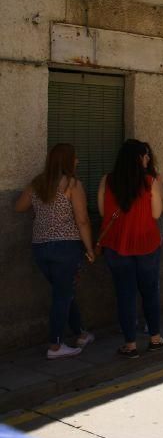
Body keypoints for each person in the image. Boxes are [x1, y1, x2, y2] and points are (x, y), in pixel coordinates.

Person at [14, 144, 95, 359]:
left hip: (40, 247)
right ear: (67, 161)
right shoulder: (72, 184)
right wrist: (90, 249)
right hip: (66, 247)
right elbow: (83, 220)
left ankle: (80, 333)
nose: (77, 161)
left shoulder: (38, 183)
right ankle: (56, 346)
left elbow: (19, 207)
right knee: (62, 294)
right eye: (74, 158)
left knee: (64, 291)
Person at [98, 139, 163, 358]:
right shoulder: (151, 181)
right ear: (138, 158)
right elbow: (156, 214)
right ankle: (155, 338)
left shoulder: (107, 180)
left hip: (116, 245)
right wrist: (160, 187)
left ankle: (130, 345)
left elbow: (102, 212)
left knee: (125, 294)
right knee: (150, 291)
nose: (148, 158)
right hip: (146, 243)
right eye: (145, 155)